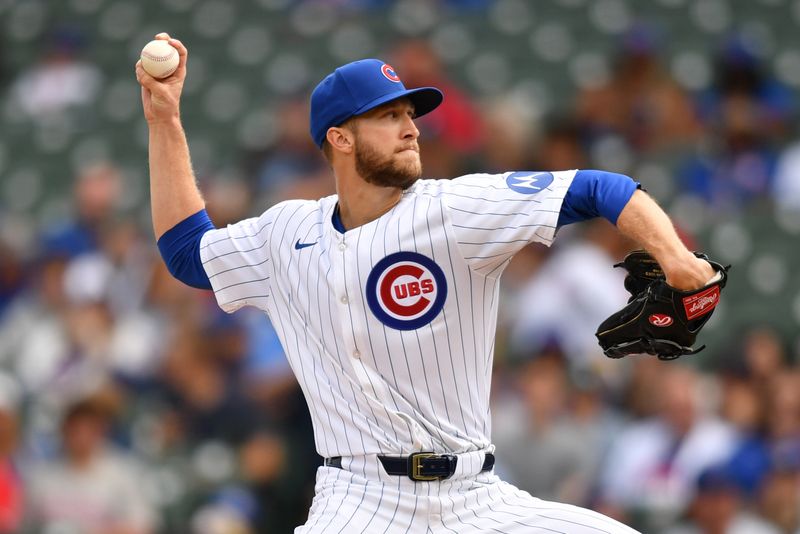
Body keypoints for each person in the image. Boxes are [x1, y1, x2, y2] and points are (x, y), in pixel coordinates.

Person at [135, 33, 716, 533]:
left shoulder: (456, 209)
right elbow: (188, 253)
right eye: (389, 116)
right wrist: (165, 120)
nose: (411, 129)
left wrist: (677, 259)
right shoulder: (285, 232)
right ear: (340, 137)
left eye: (411, 114)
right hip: (359, 500)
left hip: (475, 497)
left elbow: (600, 188)